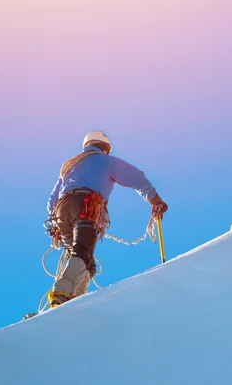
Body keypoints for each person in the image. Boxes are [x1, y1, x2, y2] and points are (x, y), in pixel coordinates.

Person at [45, 131, 167, 308]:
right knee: (82, 253)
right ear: (106, 148)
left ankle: (72, 301)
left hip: (61, 212)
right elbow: (136, 178)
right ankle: (62, 293)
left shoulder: (70, 166)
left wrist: (55, 223)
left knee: (87, 263)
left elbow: (52, 200)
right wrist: (156, 201)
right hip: (86, 206)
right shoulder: (106, 161)